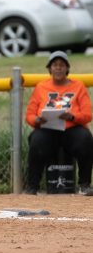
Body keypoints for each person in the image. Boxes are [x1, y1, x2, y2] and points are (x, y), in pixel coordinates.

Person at [25, 51, 93, 195]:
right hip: (48, 128)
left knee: (85, 138)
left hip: (71, 129)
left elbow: (87, 115)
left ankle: (84, 185)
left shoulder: (78, 86)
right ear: (49, 69)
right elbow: (29, 115)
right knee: (36, 140)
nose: (58, 68)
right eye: (54, 65)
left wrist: (72, 116)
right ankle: (32, 187)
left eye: (62, 65)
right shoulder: (41, 87)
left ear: (67, 69)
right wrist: (37, 120)